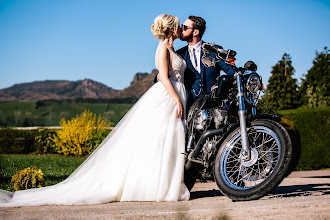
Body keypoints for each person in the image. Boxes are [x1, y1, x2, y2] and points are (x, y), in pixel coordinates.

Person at [0, 14, 190, 207]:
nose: (180, 27)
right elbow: (164, 77)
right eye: (177, 25)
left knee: (170, 141)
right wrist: (176, 99)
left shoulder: (173, 48)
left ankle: (165, 185)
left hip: (175, 95)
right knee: (159, 141)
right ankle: (155, 186)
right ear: (170, 28)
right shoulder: (162, 49)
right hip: (167, 97)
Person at [177, 15, 234, 109]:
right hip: (189, 107)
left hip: (213, 107)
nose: (181, 29)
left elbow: (231, 72)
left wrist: (220, 85)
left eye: (185, 27)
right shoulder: (179, 54)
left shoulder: (214, 50)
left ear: (195, 32)